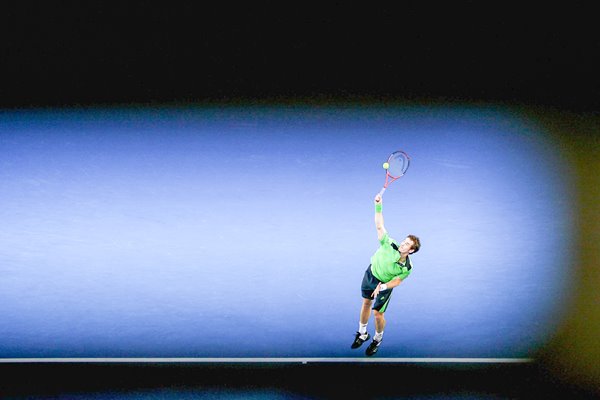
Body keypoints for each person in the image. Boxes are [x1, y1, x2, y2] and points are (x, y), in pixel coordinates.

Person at [351, 193, 421, 356]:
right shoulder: (389, 243)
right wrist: (378, 205)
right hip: (371, 274)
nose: (402, 244)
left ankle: (377, 338)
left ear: (411, 251)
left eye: (407, 245)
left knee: (378, 314)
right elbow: (379, 225)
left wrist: (382, 287)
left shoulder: (407, 267)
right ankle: (362, 333)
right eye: (404, 241)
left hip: (384, 284)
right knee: (366, 303)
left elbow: (396, 282)